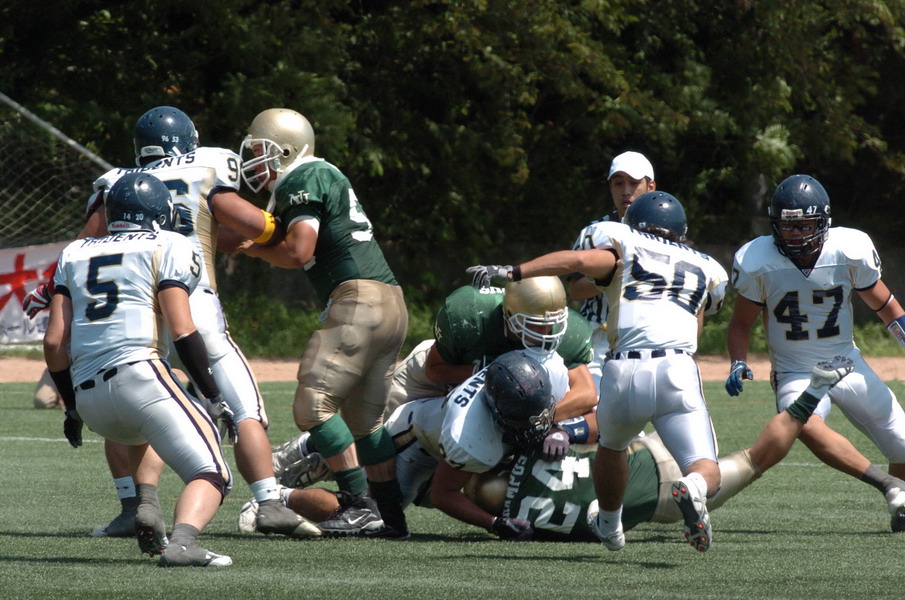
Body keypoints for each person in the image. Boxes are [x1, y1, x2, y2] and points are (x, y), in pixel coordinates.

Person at [25, 105, 310, 539]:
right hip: (193, 304)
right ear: (188, 141)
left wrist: (50, 287)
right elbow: (252, 225)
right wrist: (274, 231)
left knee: (130, 403)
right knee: (245, 410)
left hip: (138, 313)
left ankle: (135, 504)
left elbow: (87, 241)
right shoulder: (207, 167)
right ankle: (268, 502)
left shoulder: (119, 182)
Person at [468, 190, 729, 553]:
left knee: (612, 445)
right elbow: (697, 324)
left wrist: (513, 271)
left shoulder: (627, 244)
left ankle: (608, 523)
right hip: (677, 367)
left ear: (634, 224)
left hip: (623, 367)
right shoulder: (708, 266)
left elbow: (577, 260)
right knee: (705, 467)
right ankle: (694, 486)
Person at [468, 356, 885, 540]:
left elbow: (452, 492)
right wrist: (567, 431)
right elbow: (598, 428)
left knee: (754, 460)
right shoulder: (519, 451)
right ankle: (813, 391)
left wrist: (496, 526)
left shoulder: (510, 509)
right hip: (647, 451)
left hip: (657, 501)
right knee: (630, 437)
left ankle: (811, 394)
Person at [43, 172, 233, 567]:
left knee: (141, 428)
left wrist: (72, 408)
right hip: (142, 376)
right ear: (158, 213)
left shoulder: (74, 252)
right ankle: (183, 544)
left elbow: (54, 342)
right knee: (212, 472)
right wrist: (214, 395)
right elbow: (182, 330)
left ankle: (145, 504)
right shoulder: (169, 243)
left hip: (91, 399)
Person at [237, 108, 409, 537]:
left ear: (285, 150)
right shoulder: (322, 176)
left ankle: (358, 504)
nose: (254, 162)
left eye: (260, 151)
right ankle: (391, 518)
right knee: (366, 424)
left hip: (358, 300)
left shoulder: (305, 175)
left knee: (312, 406)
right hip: (392, 303)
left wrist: (248, 248)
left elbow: (298, 251)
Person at [269, 277, 598, 491]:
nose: (546, 333)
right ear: (508, 314)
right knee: (372, 429)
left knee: (402, 471)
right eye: (534, 324)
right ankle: (308, 448)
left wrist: (543, 420)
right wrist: (485, 372)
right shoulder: (471, 315)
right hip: (435, 375)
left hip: (487, 395)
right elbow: (435, 370)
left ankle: (331, 470)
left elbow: (586, 394)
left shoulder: (568, 335)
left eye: (552, 324)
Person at [726, 173, 905, 532]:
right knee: (803, 422)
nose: (795, 234)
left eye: (803, 225)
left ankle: (902, 507)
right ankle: (890, 486)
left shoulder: (848, 250)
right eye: (787, 226)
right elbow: (740, 324)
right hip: (795, 370)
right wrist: (738, 361)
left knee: (902, 443)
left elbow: (886, 306)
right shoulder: (758, 259)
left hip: (846, 362)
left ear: (823, 222)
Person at [240, 349, 569, 540]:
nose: (536, 424)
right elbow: (443, 494)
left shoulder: (535, 374)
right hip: (411, 443)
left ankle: (326, 455)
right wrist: (494, 525)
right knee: (370, 517)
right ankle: (276, 497)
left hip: (431, 427)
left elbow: (580, 399)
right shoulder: (472, 436)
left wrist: (560, 429)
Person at [567, 151, 657, 390]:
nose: (626, 191)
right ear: (610, 188)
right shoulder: (596, 232)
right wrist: (613, 274)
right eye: (618, 183)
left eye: (634, 183)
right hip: (598, 338)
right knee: (594, 405)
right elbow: (575, 290)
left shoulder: (667, 233)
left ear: (650, 186)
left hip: (646, 338)